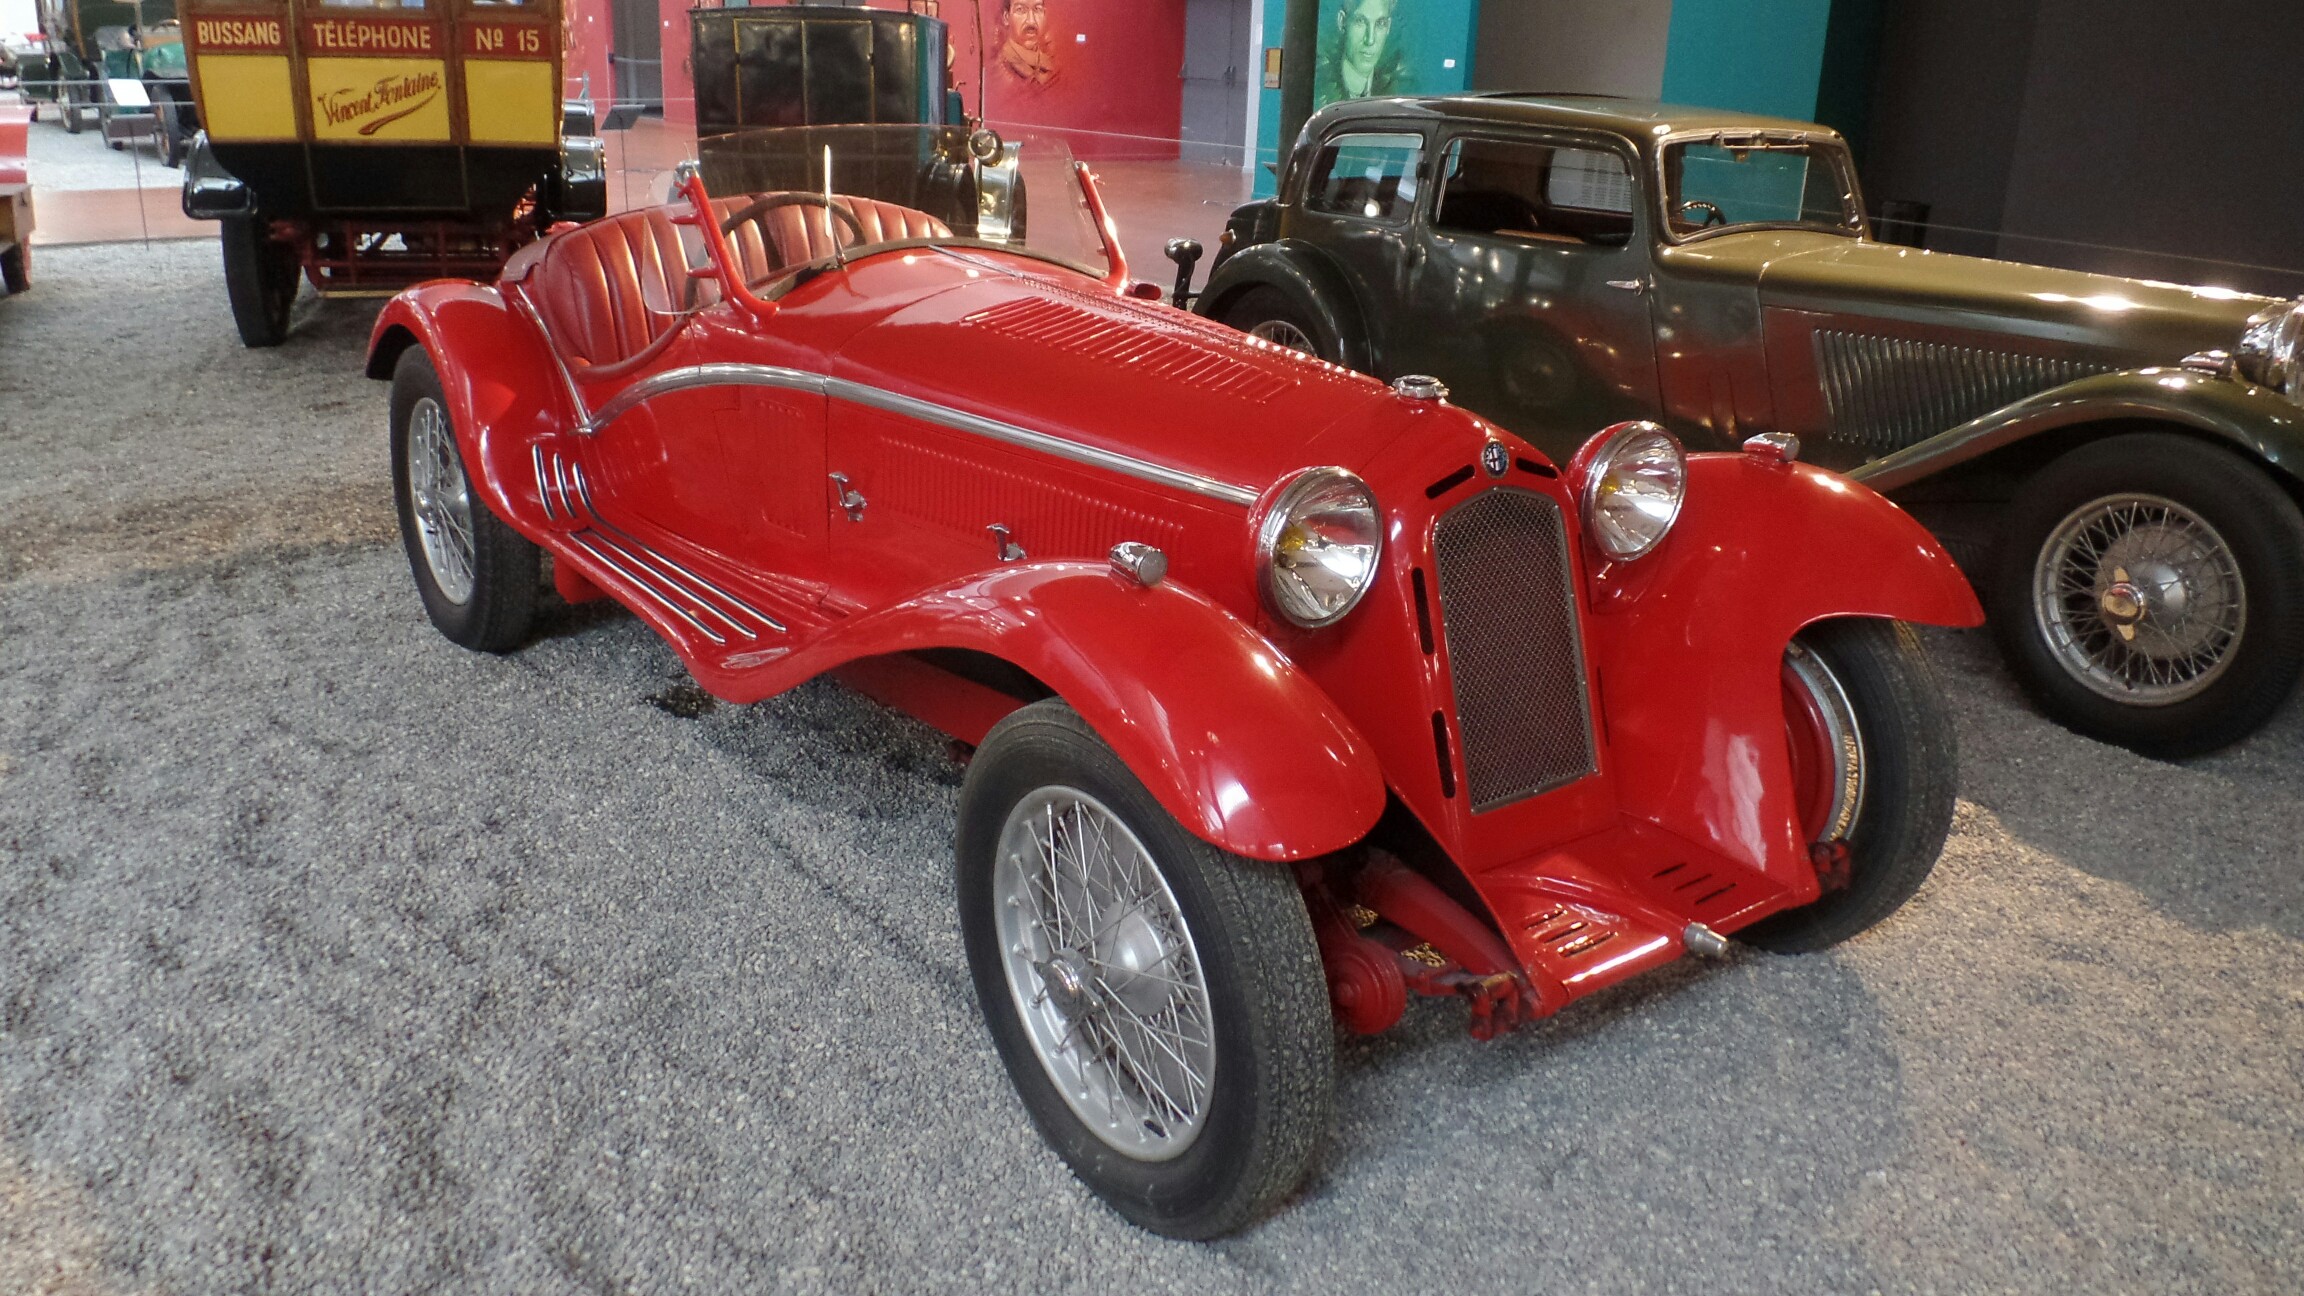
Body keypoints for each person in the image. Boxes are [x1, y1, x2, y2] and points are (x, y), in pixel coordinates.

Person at [1315, 0, 1406, 106]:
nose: (1370, 40)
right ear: (1342, 21)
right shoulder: (1318, 90)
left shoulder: (1397, 90)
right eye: (1360, 21)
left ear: (1388, 27)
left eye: (1380, 23)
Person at [997, 0, 1057, 87]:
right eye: (1021, 10)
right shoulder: (1002, 67)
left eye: (1037, 9)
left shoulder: (1051, 65)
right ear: (1006, 18)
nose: (1031, 21)